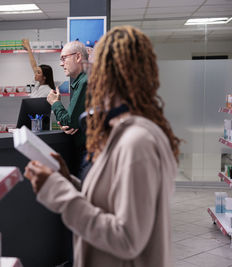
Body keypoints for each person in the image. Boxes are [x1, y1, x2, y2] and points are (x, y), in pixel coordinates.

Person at [24, 26, 181, 267]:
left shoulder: (137, 142)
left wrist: (60, 194)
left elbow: (127, 239)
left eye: (93, 66)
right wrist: (68, 180)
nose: (88, 74)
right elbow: (107, 204)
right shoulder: (119, 131)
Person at [47, 41, 89, 176]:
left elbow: (69, 121)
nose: (61, 64)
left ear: (78, 57)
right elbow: (71, 122)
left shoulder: (84, 82)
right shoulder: (82, 81)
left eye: (64, 58)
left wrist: (55, 103)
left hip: (88, 151)